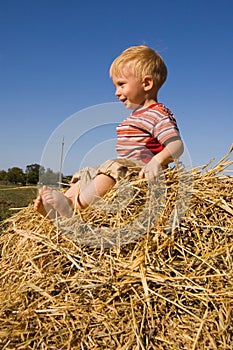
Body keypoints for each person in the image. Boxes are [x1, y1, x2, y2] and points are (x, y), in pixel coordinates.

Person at [34, 45, 184, 219]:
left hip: (145, 174)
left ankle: (75, 206)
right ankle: (64, 200)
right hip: (128, 169)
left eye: (121, 85)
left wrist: (157, 161)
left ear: (146, 83)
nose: (116, 92)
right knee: (90, 171)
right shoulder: (136, 116)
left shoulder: (157, 114)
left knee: (112, 168)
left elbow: (176, 145)